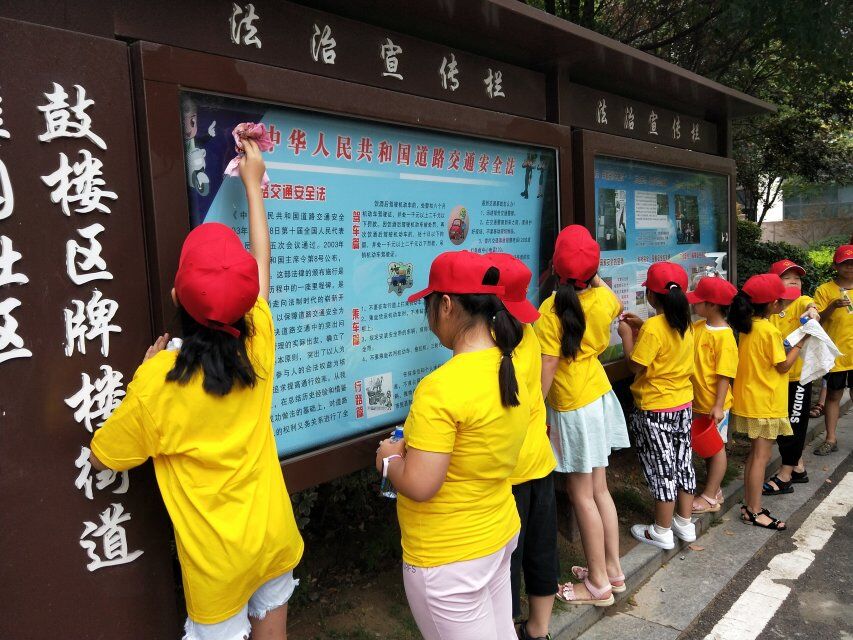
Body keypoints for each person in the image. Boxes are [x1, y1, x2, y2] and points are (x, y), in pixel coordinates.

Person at [89, 139, 304, 640]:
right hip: (271, 533)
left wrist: (144, 374)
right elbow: (261, 269)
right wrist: (254, 187)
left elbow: (105, 457)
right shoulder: (257, 339)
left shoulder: (159, 383)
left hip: (217, 564)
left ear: (175, 295)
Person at [376, 250, 529, 640]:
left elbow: (423, 485)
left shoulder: (441, 388)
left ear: (445, 305)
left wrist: (388, 462)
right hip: (496, 535)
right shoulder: (508, 367)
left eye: (427, 304)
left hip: (448, 558)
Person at [536, 225, 629, 606]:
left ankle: (596, 586)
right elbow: (603, 289)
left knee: (581, 495)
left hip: (572, 405)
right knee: (599, 490)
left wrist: (534, 411)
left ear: (557, 269)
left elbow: (548, 366)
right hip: (598, 394)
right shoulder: (605, 300)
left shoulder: (549, 311)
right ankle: (612, 571)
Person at [487, 252, 558, 640]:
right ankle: (539, 630)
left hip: (506, 472)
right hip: (539, 462)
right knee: (540, 550)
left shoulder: (484, 341)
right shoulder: (527, 332)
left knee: (506, 559)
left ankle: (508, 629)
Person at [618, 262, 696, 550]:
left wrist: (628, 337)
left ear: (651, 295)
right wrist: (643, 327)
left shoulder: (653, 328)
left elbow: (635, 366)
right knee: (683, 463)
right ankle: (684, 523)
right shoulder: (685, 322)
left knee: (662, 468)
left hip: (655, 409)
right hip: (682, 405)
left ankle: (661, 530)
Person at [728, 274, 806, 531]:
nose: (785, 305)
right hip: (765, 401)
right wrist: (802, 341)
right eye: (783, 302)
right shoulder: (769, 330)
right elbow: (783, 365)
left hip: (752, 397)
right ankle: (754, 510)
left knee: (756, 455)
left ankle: (750, 505)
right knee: (762, 456)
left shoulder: (749, 325)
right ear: (773, 305)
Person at [763, 260, 820, 493]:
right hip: (775, 378)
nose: (794, 280)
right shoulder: (771, 308)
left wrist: (813, 312)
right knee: (783, 425)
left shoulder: (800, 303)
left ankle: (786, 475)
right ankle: (798, 468)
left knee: (793, 426)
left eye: (797, 277)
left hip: (797, 377)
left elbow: (811, 307)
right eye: (787, 277)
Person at [686, 276, 739, 514]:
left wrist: (718, 406)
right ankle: (714, 488)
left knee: (716, 449)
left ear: (713, 305)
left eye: (699, 301)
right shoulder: (698, 326)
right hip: (698, 401)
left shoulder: (725, 337)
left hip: (714, 405)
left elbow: (724, 375)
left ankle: (709, 497)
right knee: (707, 447)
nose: (693, 304)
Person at [812, 244, 853, 455]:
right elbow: (816, 321)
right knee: (833, 396)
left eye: (852, 263)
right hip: (835, 355)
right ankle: (831, 438)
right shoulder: (824, 290)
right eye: (845, 263)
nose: (849, 267)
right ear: (835, 265)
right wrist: (832, 306)